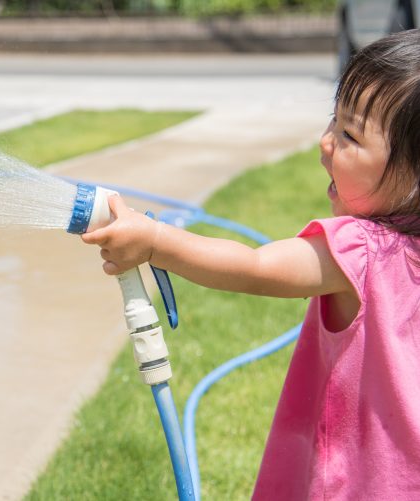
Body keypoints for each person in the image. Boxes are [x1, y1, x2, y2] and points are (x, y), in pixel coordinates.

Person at [81, 29, 420, 500]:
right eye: (332, 121)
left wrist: (155, 240)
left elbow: (255, 266)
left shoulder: (362, 250)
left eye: (349, 135)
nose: (325, 142)